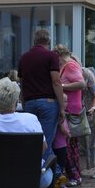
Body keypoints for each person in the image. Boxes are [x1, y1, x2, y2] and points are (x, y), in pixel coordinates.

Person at [18, 29, 66, 171]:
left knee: (33, 141)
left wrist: (25, 103)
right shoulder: (51, 56)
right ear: (48, 41)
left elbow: (22, 83)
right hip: (48, 103)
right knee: (45, 142)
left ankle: (40, 174)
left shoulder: (24, 58)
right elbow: (56, 82)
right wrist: (62, 107)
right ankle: (50, 178)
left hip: (30, 103)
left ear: (34, 41)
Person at [53, 44, 86, 188]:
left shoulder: (70, 66)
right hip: (69, 108)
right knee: (67, 144)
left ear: (58, 55)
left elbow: (81, 83)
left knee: (69, 146)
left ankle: (75, 176)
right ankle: (72, 175)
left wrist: (60, 87)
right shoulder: (67, 65)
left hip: (70, 109)